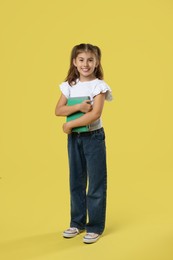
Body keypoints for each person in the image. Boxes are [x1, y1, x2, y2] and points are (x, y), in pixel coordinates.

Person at [55, 43, 112, 244]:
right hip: (74, 139)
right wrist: (78, 107)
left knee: (95, 182)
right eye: (81, 60)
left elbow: (95, 114)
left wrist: (69, 126)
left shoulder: (99, 86)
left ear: (97, 62)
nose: (85, 64)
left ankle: (95, 226)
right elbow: (58, 110)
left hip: (93, 137)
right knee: (76, 181)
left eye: (90, 60)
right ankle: (76, 223)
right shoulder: (70, 85)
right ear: (74, 62)